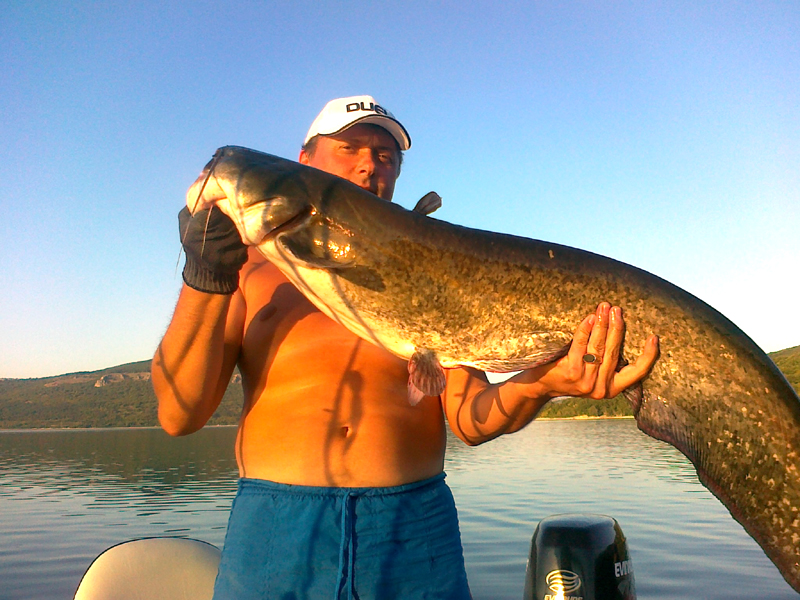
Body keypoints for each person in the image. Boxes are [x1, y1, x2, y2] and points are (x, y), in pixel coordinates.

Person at [151, 95, 660, 599]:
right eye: (349, 148)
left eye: (385, 156)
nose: (369, 164)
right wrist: (206, 274)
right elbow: (179, 412)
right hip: (276, 531)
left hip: (413, 530)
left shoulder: (435, 269)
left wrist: (541, 384)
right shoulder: (247, 270)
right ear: (304, 160)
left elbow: (471, 419)